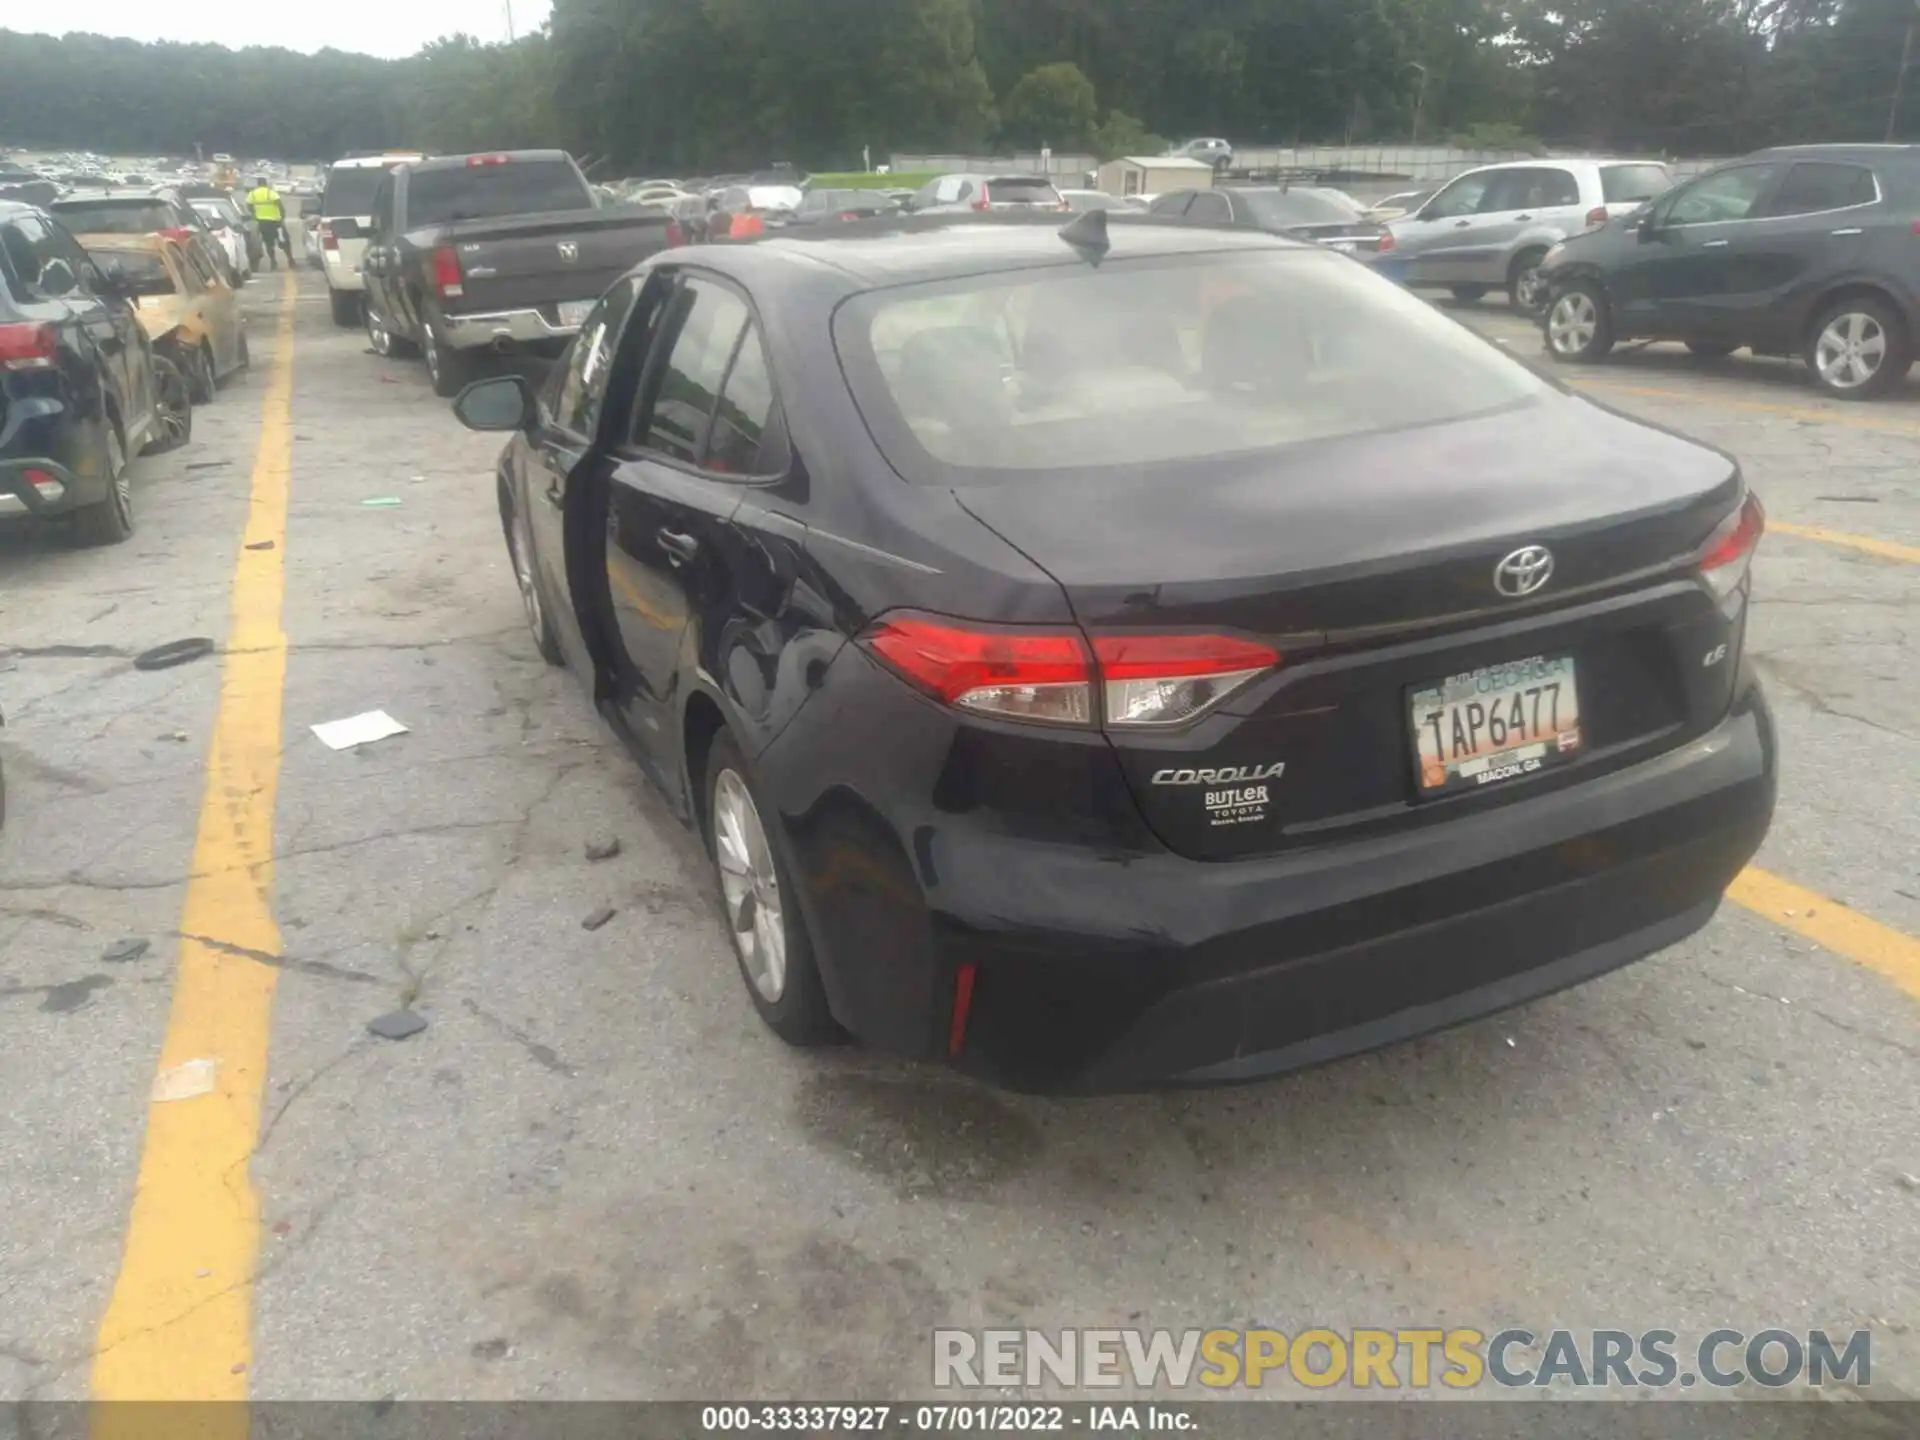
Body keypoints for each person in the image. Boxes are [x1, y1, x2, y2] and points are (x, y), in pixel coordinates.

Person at [245, 176, 293, 270]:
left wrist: (254, 214)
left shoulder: (253, 194)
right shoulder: (270, 192)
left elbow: (249, 205)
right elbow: (279, 204)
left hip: (262, 222)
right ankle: (290, 259)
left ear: (257, 184)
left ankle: (273, 261)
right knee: (284, 240)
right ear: (266, 183)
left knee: (269, 243)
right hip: (276, 221)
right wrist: (282, 215)